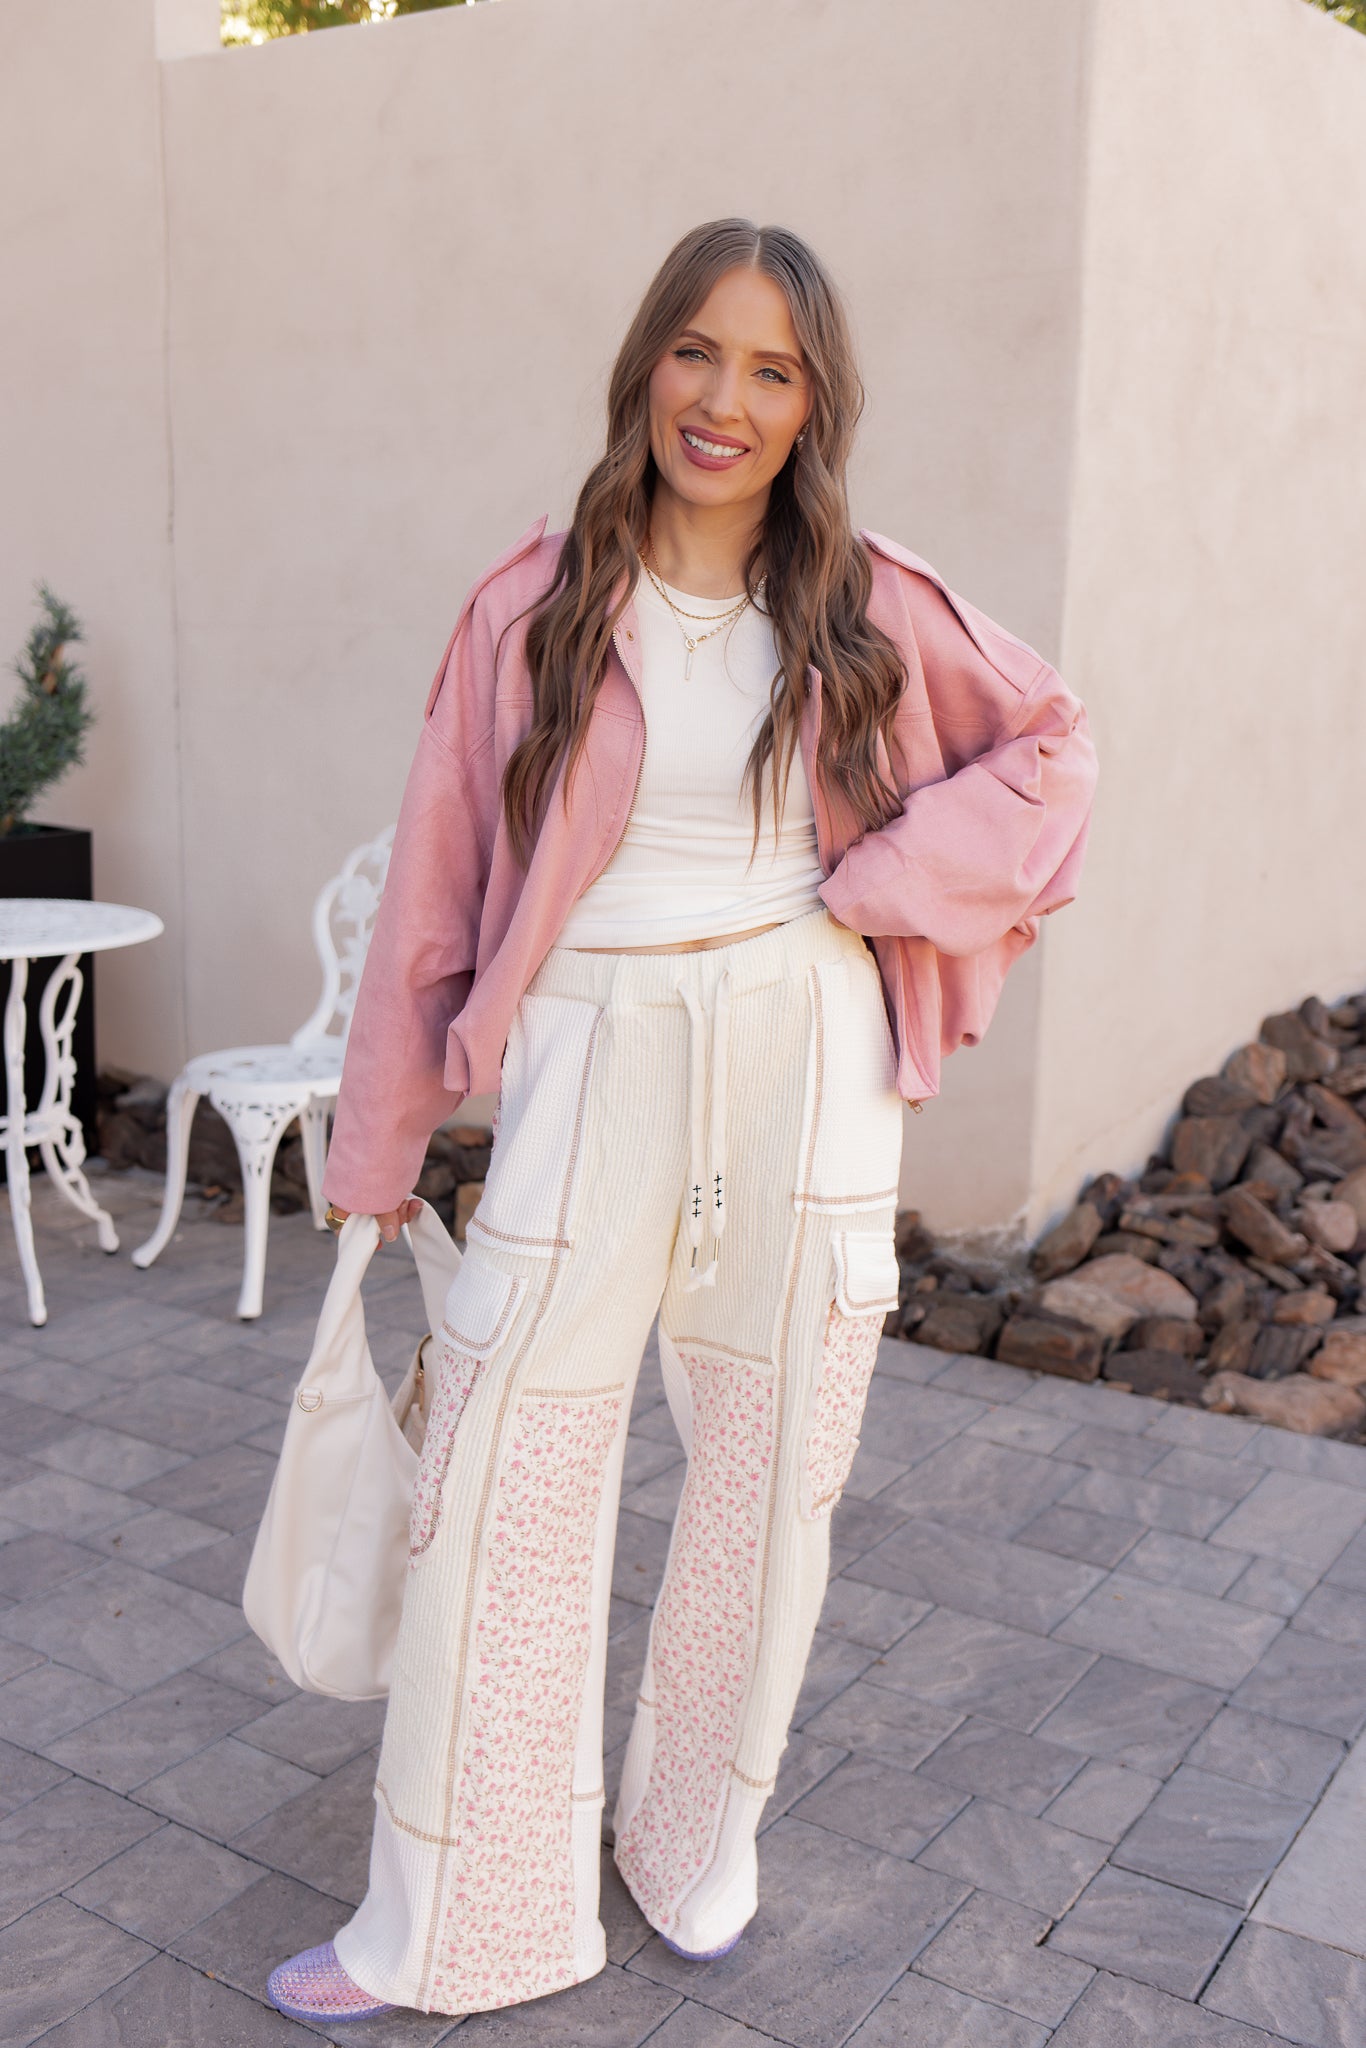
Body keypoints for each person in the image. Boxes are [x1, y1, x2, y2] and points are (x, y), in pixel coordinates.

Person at [264, 218, 1098, 2026]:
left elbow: (1052, 750)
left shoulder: (866, 599)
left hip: (805, 1061)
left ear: (812, 405)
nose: (724, 399)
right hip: (590, 1055)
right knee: (502, 1474)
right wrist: (379, 1145)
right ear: (645, 361)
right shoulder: (533, 603)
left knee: (769, 1481)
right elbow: (432, 892)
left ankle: (694, 1844)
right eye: (697, 351)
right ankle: (460, 1916)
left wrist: (873, 885)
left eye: (771, 369)